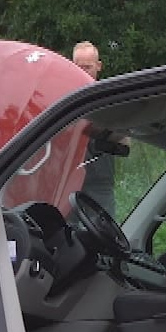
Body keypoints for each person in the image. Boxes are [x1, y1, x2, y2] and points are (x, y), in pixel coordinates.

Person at [72, 40, 116, 215]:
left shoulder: (110, 100)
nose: (83, 72)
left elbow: (124, 142)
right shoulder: (63, 101)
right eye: (78, 67)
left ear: (99, 66)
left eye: (87, 67)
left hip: (100, 185)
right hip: (69, 183)